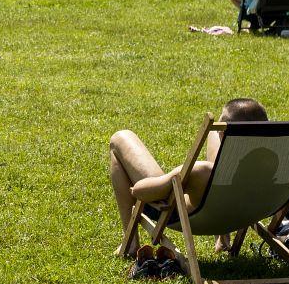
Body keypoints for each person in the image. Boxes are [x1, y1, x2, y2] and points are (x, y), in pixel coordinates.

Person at [109, 98, 271, 262]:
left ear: (224, 133)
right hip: (243, 215)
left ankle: (130, 243)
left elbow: (140, 191)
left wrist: (168, 179)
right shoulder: (276, 167)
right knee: (211, 133)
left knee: (120, 138)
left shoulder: (200, 171)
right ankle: (222, 239)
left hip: (186, 215)